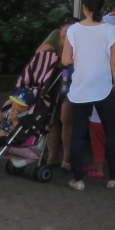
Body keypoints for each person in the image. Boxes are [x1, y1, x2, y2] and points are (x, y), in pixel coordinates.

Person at [62, 0, 115, 190]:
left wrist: (80, 57)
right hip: (103, 89)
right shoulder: (111, 31)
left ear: (84, 8)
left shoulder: (73, 30)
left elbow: (65, 59)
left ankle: (77, 181)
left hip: (80, 88)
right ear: (102, 8)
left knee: (77, 133)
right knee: (112, 132)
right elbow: (114, 64)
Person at [36, 17, 79, 171]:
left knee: (66, 117)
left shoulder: (80, 42)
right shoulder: (55, 35)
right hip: (52, 82)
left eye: (71, 33)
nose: (67, 35)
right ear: (61, 29)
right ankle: (51, 157)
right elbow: (38, 54)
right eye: (65, 31)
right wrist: (45, 50)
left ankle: (67, 159)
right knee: (51, 118)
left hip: (72, 84)